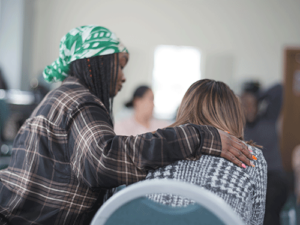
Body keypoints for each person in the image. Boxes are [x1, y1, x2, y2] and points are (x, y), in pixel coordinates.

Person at [0, 26, 253, 225]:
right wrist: (197, 136)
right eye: (119, 64)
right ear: (93, 63)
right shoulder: (81, 101)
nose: (123, 76)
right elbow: (105, 161)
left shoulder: (62, 96)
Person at [146, 79, 267, 225]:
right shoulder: (250, 156)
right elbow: (256, 221)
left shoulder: (156, 147)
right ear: (234, 114)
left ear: (185, 109)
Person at [241, 82, 288, 225]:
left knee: (269, 208)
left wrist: (255, 96)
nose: (249, 109)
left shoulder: (269, 118)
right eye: (245, 105)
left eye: (252, 104)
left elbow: (279, 89)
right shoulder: (239, 126)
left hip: (273, 176)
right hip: (251, 177)